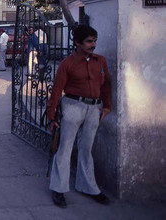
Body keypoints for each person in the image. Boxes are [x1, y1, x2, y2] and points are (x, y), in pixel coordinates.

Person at [47, 25, 111, 208]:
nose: (94, 45)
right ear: (78, 43)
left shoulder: (101, 61)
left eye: (95, 41)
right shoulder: (67, 64)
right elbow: (57, 90)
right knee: (65, 148)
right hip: (72, 106)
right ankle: (58, 189)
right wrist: (52, 117)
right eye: (89, 41)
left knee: (86, 148)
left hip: (94, 109)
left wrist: (107, 107)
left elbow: (106, 85)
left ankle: (89, 187)